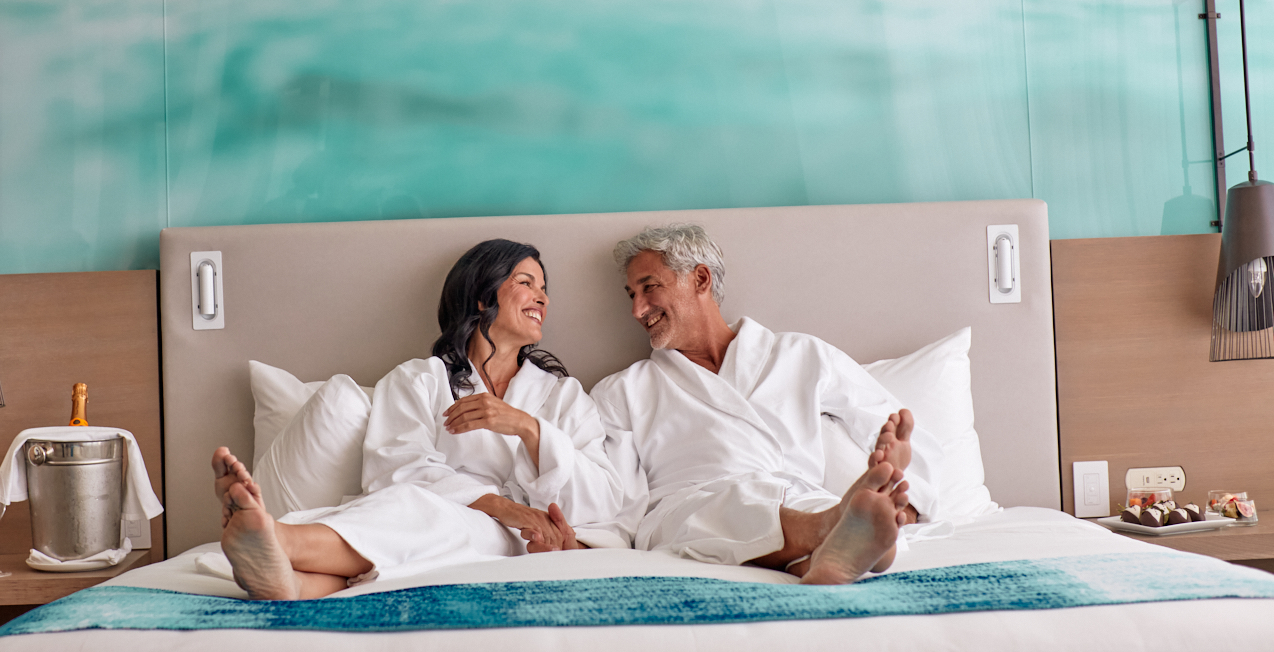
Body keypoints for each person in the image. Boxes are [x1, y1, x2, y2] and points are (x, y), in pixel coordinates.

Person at [213, 239, 623, 600]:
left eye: (545, 289)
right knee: (419, 509)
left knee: (431, 515)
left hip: (523, 541)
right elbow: (397, 469)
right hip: (452, 520)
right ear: (482, 298)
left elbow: (603, 497)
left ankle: (277, 539)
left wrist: (528, 429)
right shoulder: (419, 379)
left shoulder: (565, 396)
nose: (543, 298)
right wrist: (501, 508)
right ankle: (294, 583)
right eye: (526, 282)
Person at [591, 223, 944, 585]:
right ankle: (837, 528)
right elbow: (615, 501)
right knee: (724, 509)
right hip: (688, 510)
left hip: (797, 498)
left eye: (649, 287)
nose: (637, 310)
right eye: (631, 295)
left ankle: (830, 552)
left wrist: (908, 502)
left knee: (806, 506)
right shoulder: (621, 391)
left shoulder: (801, 355)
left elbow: (903, 431)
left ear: (700, 279)